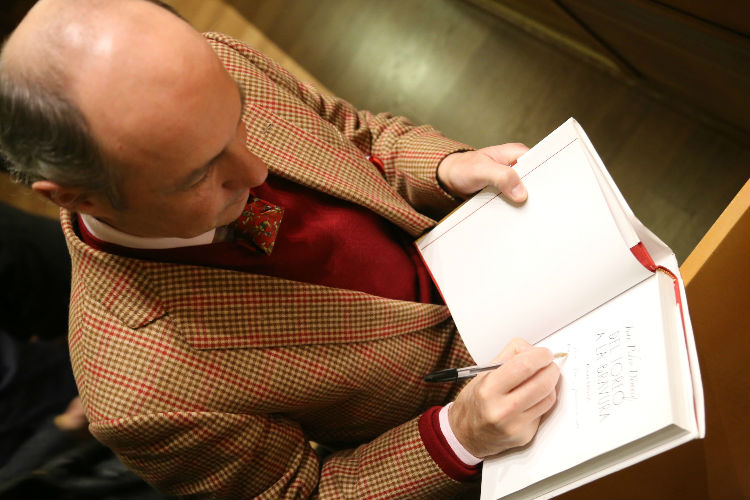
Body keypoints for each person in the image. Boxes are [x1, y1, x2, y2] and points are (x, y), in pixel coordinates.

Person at [0, 0, 561, 498]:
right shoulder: (143, 398)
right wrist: (459, 436)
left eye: (239, 117)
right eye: (198, 175)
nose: (255, 170)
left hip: (539, 260)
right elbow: (303, 491)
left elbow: (352, 131)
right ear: (79, 196)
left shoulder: (214, 62)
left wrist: (442, 167)